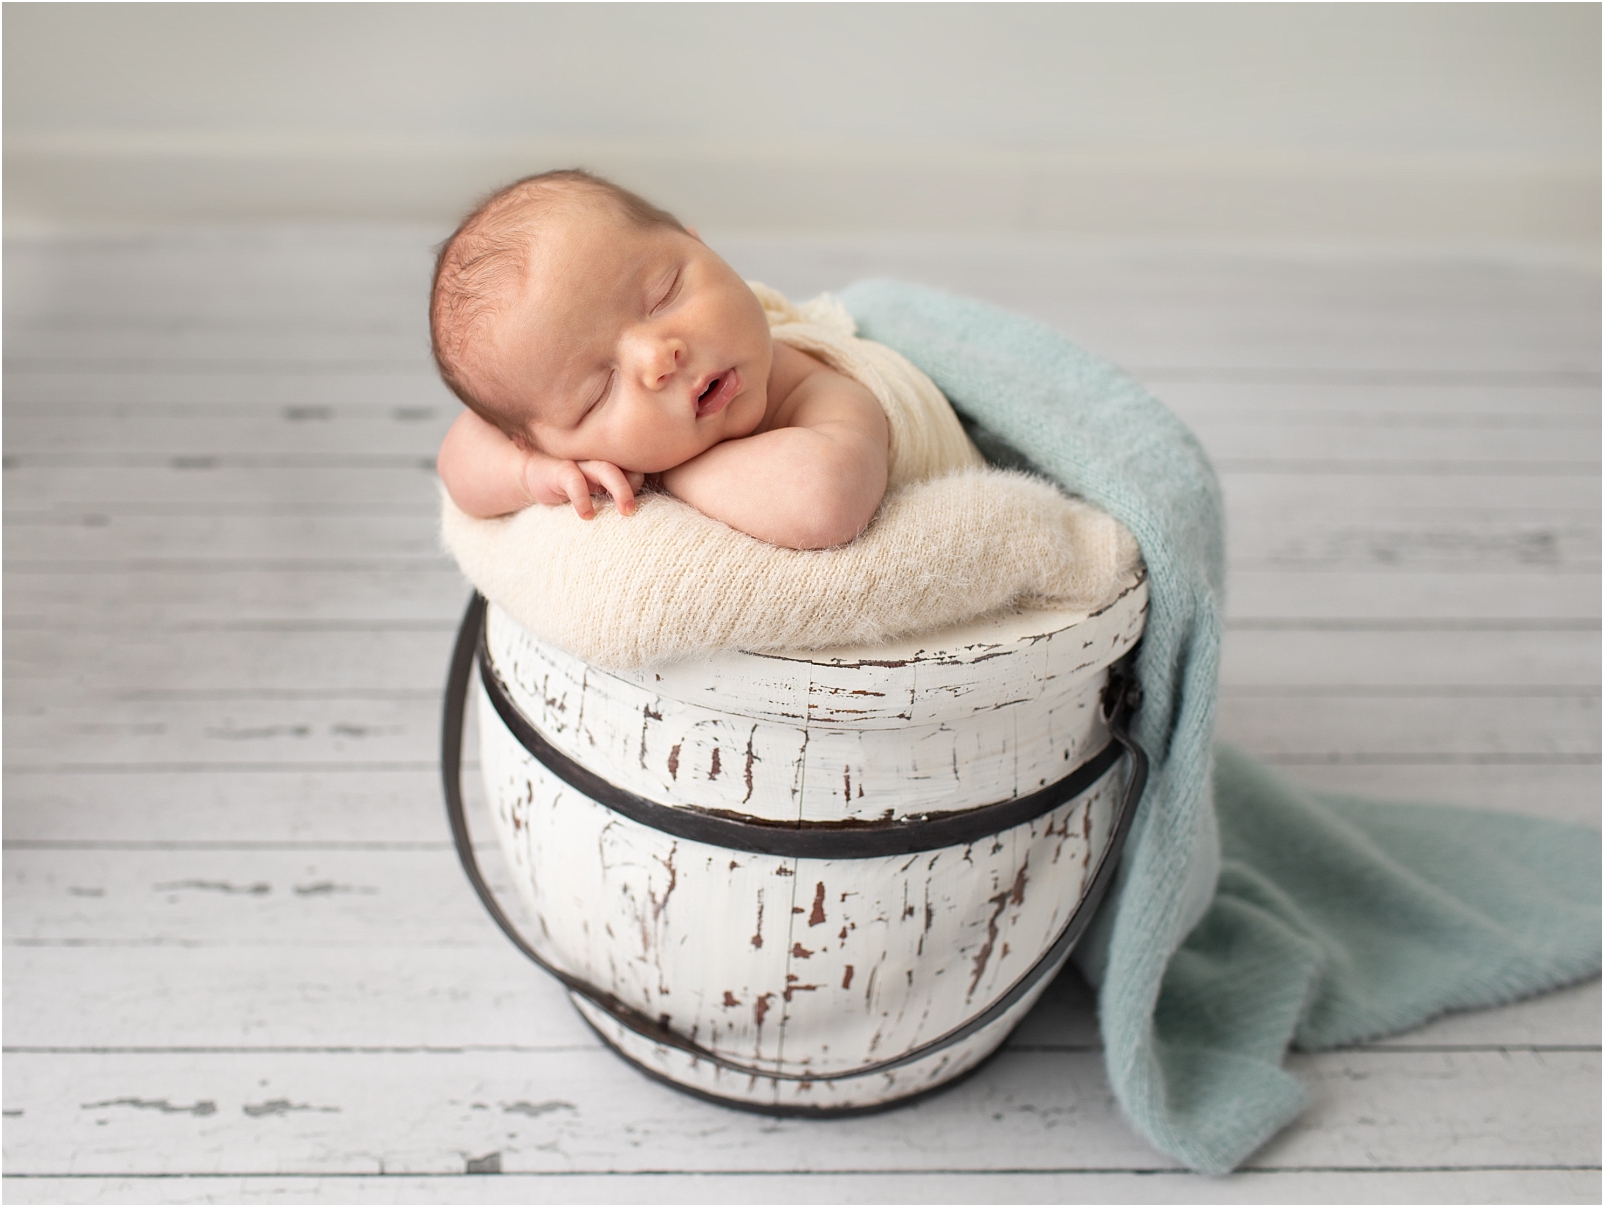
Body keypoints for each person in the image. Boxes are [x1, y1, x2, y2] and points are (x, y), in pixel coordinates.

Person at [431, 170, 890, 551]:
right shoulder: (548, 447)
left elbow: (825, 501)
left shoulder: (814, 386)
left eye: (664, 295)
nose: (657, 357)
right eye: (599, 392)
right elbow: (457, 459)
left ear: (701, 246)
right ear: (545, 441)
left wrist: (661, 472)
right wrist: (530, 474)